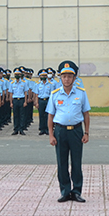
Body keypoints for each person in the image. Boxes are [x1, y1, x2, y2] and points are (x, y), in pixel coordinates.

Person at [47, 60, 91, 203]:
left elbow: (86, 114)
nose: (66, 79)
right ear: (60, 77)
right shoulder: (55, 94)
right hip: (60, 131)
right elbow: (50, 115)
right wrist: (51, 135)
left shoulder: (81, 93)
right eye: (64, 76)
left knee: (76, 163)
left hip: (77, 131)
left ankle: (76, 191)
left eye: (69, 76)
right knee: (62, 163)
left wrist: (87, 132)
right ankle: (65, 191)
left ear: (74, 78)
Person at [35, 69, 53, 135]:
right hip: (41, 101)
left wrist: (51, 103)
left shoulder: (50, 85)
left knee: (48, 116)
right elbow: (37, 94)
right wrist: (36, 103)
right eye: (42, 76)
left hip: (47, 100)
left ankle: (47, 129)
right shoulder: (38, 84)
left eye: (45, 75)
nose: (43, 77)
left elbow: (52, 95)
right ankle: (42, 129)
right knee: (41, 115)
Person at [10, 67, 28, 135]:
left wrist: (25, 101)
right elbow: (11, 93)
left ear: (20, 75)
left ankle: (21, 129)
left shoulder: (24, 83)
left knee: (22, 115)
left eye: (18, 74)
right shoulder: (12, 83)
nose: (17, 75)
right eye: (16, 74)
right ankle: (16, 129)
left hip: (21, 100)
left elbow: (25, 93)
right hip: (15, 100)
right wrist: (11, 102)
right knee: (15, 115)